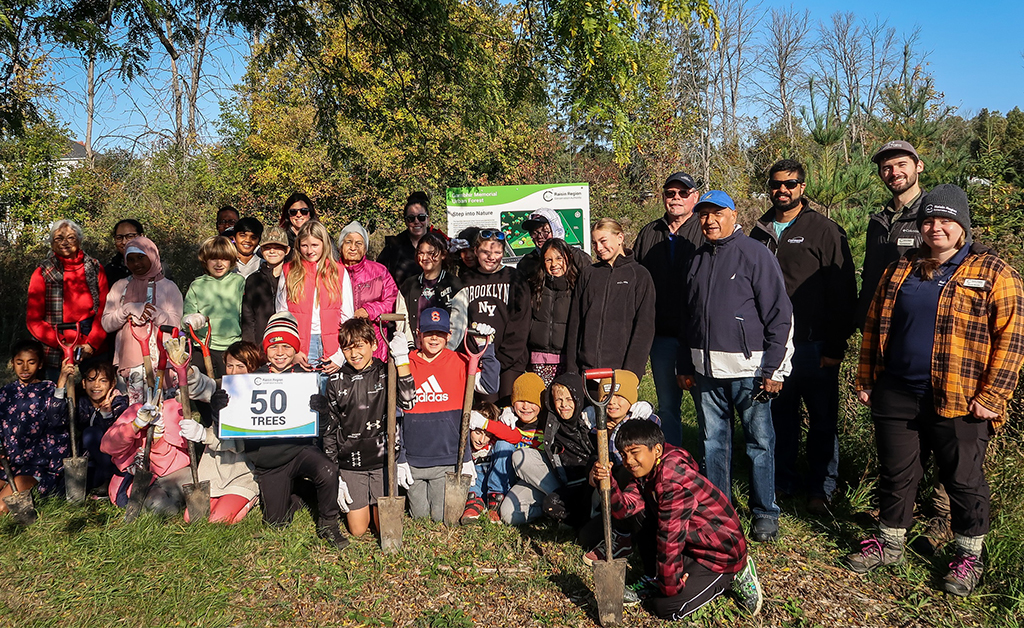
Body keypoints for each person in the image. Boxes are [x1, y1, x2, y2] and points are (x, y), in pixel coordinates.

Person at [848, 184, 1024, 597]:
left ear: (962, 225)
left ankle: (968, 555)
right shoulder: (902, 268)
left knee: (964, 478)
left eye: (945, 220)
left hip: (961, 398)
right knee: (897, 472)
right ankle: (889, 543)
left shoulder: (995, 272)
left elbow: (1013, 339)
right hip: (897, 391)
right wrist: (867, 378)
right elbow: (875, 327)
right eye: (928, 220)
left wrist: (992, 397)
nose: (936, 228)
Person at [677, 190, 793, 543]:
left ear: (733, 214)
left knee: (759, 442)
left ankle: (764, 511)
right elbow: (689, 317)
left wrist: (774, 369)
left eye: (716, 214)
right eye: (703, 215)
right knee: (713, 442)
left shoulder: (756, 254)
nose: (709, 221)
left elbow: (780, 315)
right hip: (705, 371)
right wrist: (685, 363)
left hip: (750, 370)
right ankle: (718, 509)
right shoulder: (697, 259)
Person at [749, 159, 857, 514]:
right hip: (773, 346)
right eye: (777, 184)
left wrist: (836, 345)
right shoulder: (759, 231)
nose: (783, 190)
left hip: (814, 344)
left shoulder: (824, 230)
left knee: (822, 420)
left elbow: (843, 290)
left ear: (802, 187)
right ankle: (783, 481)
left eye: (790, 184)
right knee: (779, 419)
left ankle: (821, 489)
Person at [592, 419, 764, 620]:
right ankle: (654, 576)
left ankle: (735, 574)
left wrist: (670, 586)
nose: (629, 460)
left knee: (667, 606)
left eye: (634, 452)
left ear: (656, 449)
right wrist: (608, 484)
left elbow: (670, 538)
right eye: (623, 454)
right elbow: (625, 510)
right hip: (694, 542)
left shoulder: (672, 481)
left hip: (719, 553)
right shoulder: (648, 469)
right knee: (641, 512)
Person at [226, 312, 348, 549]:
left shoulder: (306, 379)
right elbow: (235, 425)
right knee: (276, 525)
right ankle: (299, 493)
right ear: (266, 350)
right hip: (269, 461)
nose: (280, 352)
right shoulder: (252, 379)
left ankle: (328, 524)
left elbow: (322, 430)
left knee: (327, 469)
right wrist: (223, 406)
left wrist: (322, 412)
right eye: (274, 346)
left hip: (299, 451)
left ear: (295, 350)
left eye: (286, 346)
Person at [322, 319, 415, 536]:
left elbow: (409, 402)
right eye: (347, 348)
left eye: (359, 346)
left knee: (386, 529)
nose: (354, 354)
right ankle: (364, 501)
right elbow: (330, 429)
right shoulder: (336, 380)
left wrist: (402, 360)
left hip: (383, 461)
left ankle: (376, 502)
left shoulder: (386, 371)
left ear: (373, 344)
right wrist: (333, 474)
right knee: (358, 530)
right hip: (352, 463)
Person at [405, 308, 497, 522]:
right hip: (414, 458)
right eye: (428, 333)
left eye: (439, 333)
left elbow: (490, 385)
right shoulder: (405, 363)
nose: (434, 338)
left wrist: (488, 348)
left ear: (448, 335)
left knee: (441, 517)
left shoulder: (461, 362)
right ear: (418, 334)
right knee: (419, 516)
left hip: (446, 458)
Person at [633, 172, 704, 447]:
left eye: (683, 193)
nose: (676, 198)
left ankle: (708, 469)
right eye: (670, 193)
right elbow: (635, 279)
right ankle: (673, 464)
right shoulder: (650, 232)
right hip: (661, 336)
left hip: (698, 336)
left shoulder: (704, 229)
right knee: (668, 408)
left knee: (704, 409)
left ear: (694, 197)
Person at [176, 341, 259, 524]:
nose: (234, 372)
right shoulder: (223, 387)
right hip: (214, 471)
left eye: (241, 366)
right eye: (230, 365)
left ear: (252, 368)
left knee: (218, 520)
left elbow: (239, 444)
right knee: (192, 519)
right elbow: (200, 386)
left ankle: (251, 498)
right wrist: (186, 369)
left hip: (241, 473)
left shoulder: (258, 397)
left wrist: (203, 435)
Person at [565, 218, 655, 379]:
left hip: (620, 372)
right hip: (587, 370)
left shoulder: (639, 275)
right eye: (594, 243)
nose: (598, 248)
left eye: (603, 241)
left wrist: (631, 373)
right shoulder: (589, 274)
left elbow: (644, 328)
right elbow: (575, 323)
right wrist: (572, 369)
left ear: (620, 238)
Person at [451, 229, 532, 400]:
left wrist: (500, 360)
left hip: (509, 361)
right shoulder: (466, 280)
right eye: (485, 252)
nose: (491, 257)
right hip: (477, 361)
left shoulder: (514, 278)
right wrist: (474, 357)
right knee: (484, 415)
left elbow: (521, 323)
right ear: (476, 251)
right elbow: (460, 321)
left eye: (497, 252)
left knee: (507, 413)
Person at [101, 236, 183, 403]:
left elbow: (176, 324)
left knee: (164, 409)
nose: (136, 264)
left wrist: (156, 313)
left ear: (152, 256)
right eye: (130, 260)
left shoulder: (168, 287)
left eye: (141, 257)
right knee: (136, 409)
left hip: (162, 359)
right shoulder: (120, 286)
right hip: (131, 361)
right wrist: (126, 310)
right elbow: (107, 323)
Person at [26, 219, 109, 381]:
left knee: (97, 390)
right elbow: (33, 319)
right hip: (54, 339)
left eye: (71, 237)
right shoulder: (43, 272)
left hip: (90, 336)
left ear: (79, 240)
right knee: (55, 395)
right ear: (51, 243)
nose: (65, 242)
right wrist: (60, 343)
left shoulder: (94, 267)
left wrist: (92, 344)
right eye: (59, 238)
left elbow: (105, 309)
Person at [856, 140, 927, 328]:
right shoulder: (878, 222)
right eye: (886, 168)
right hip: (876, 325)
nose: (894, 173)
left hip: (916, 325)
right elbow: (869, 276)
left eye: (902, 164)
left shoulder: (932, 217)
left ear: (919, 166)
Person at [99, 376, 190, 515]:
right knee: (161, 506)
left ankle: (181, 503)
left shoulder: (172, 412)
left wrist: (158, 437)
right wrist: (135, 426)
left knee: (198, 481)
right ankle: (171, 503)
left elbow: (164, 467)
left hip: (170, 474)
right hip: (139, 480)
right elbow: (107, 446)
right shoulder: (135, 410)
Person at [0, 339, 72, 506]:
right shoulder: (5, 393)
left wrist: (61, 382)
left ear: (40, 365)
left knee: (2, 506)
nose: (25, 368)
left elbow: (57, 420)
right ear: (12, 363)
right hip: (9, 464)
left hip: (38, 466)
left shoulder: (49, 390)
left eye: (31, 362)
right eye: (19, 362)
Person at [276, 221, 354, 373]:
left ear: (324, 244)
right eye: (305, 245)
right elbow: (282, 315)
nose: (309, 250)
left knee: (329, 393)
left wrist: (341, 355)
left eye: (315, 245)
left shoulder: (338, 271)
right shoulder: (289, 271)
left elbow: (348, 316)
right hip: (301, 347)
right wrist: (292, 351)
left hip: (333, 345)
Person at [470, 372, 548, 523]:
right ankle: (495, 500)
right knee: (502, 444)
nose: (526, 406)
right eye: (520, 401)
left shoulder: (546, 423)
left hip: (537, 479)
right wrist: (505, 410)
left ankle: (549, 506)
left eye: (532, 402)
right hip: (511, 479)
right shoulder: (508, 418)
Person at [182, 236, 245, 378]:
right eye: (213, 259)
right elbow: (186, 317)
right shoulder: (197, 285)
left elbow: (244, 314)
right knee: (199, 385)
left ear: (232, 260)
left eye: (224, 259)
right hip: (203, 345)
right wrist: (190, 319)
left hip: (231, 346)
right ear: (205, 260)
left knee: (228, 387)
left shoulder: (238, 282)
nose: (219, 264)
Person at [337, 221, 399, 362]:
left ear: (365, 248)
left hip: (373, 343)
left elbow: (394, 300)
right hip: (339, 342)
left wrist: (369, 310)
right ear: (341, 246)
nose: (353, 247)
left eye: (359, 243)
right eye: (348, 242)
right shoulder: (330, 272)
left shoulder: (379, 271)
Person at [526, 238, 580, 385]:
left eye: (558, 258)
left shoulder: (577, 287)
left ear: (568, 258)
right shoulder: (535, 286)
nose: (554, 264)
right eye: (548, 260)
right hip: (538, 359)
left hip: (567, 359)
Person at [399, 231, 465, 342]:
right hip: (415, 352)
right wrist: (409, 346)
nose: (425, 257)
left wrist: (447, 350)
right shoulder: (409, 285)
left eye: (431, 253)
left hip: (445, 352)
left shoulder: (455, 285)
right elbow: (401, 320)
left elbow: (459, 324)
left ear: (443, 254)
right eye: (421, 253)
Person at [76, 361, 128, 497]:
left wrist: (106, 415)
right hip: (90, 462)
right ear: (83, 383)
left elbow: (114, 437)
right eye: (91, 380)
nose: (96, 386)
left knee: (91, 433)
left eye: (103, 381)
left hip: (113, 462)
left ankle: (111, 478)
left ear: (112, 383)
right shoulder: (81, 403)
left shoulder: (120, 404)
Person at [377, 192, 447, 286]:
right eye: (411, 218)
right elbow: (379, 275)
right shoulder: (394, 247)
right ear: (405, 221)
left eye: (421, 217)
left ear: (428, 219)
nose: (416, 222)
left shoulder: (440, 241)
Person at [241, 226, 291, 345]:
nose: (272, 251)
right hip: (261, 345)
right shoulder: (253, 280)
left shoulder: (295, 277)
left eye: (278, 247)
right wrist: (250, 346)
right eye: (267, 248)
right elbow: (248, 316)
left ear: (287, 250)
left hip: (289, 342)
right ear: (261, 250)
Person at [515, 209, 590, 280]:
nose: (540, 236)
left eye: (545, 231)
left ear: (556, 230)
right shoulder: (527, 263)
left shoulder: (578, 258)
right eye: (535, 232)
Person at [106, 219, 145, 285]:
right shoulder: (109, 271)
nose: (124, 242)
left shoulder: (157, 267)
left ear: (141, 236)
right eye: (119, 238)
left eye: (130, 236)